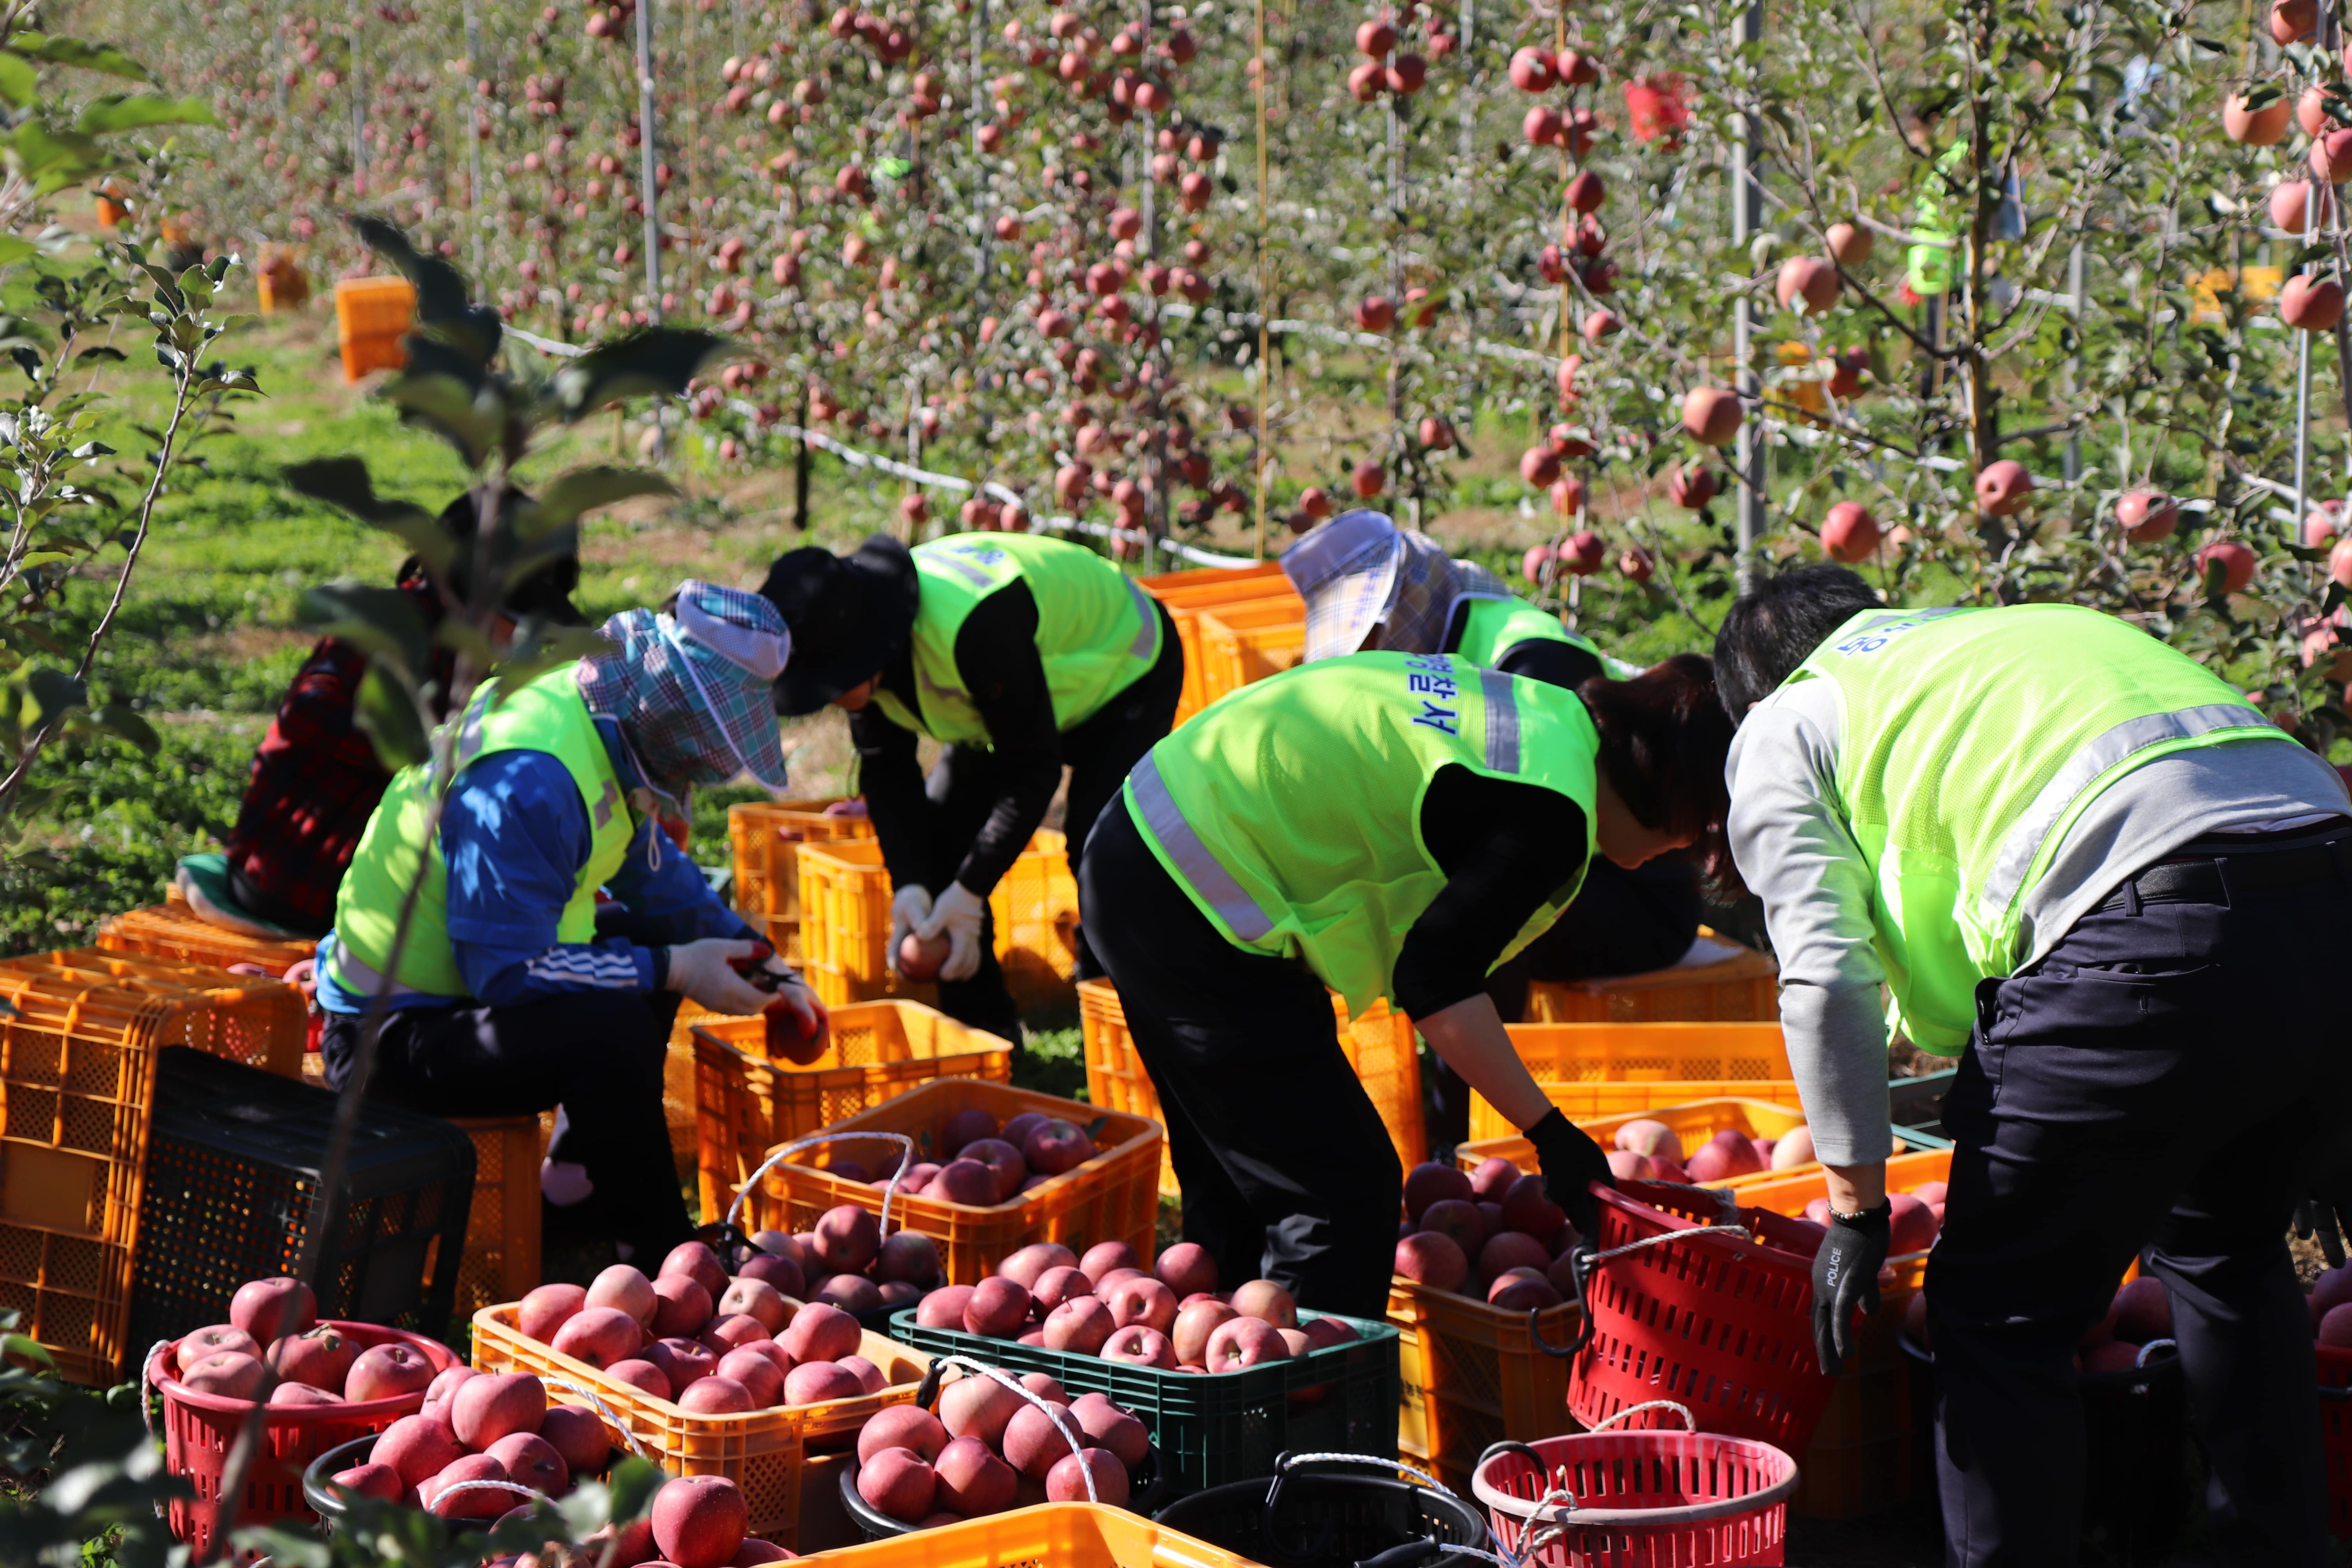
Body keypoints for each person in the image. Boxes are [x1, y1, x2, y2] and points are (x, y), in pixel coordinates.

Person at [1713, 564, 2352, 1565]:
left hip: (2145, 933)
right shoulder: (2008, 635)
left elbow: (1825, 974)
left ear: (1754, 695)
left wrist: (1856, 1206)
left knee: (1997, 1315)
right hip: (2330, 900)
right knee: (2227, 1252)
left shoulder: (1786, 720)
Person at [1080, 648, 1737, 1318]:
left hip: (1149, 836)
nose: (1686, 851)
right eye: (1701, 826)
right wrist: (1553, 1135)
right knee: (1342, 1196)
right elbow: (1435, 980)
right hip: (1191, 890)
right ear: (1677, 791)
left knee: (1242, 1182)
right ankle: (1304, 1383)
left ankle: (1214, 1354)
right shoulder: (1553, 815)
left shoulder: (1553, 722)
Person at [316, 581, 825, 1264]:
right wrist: (676, 969)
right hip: (393, 1034)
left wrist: (760, 960)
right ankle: (665, 1260)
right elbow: (505, 974)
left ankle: (572, 1196)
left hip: (471, 983)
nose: (708, 758)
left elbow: (652, 875)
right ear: (669, 706)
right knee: (614, 1029)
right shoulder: (530, 780)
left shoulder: (600, 726)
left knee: (651, 948)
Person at [1279, 510, 1703, 1145]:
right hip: (1573, 872)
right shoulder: (1461, 639)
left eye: (1373, 635)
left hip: (1635, 896)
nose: (1370, 653)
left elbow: (1525, 843)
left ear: (1403, 606)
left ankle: (1466, 1135)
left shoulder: (1533, 657)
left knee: (1472, 911)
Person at [760, 531, 1182, 1041]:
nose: (827, 699)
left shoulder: (973, 629)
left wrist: (969, 893)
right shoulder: (869, 646)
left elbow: (1033, 771)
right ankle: (986, 1037)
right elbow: (888, 772)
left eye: (829, 683)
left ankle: (1116, 1011)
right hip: (1012, 702)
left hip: (1124, 670)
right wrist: (912, 884)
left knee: (1101, 850)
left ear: (866, 653)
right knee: (940, 843)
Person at [191, 488, 585, 940]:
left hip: (357, 881)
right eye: (516, 614)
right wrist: (429, 752)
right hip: (297, 878)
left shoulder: (471, 656)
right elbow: (309, 708)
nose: (522, 633)